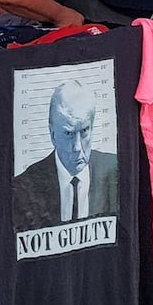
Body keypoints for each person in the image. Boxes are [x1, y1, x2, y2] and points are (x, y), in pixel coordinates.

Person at [13, 80, 118, 230]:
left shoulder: (115, 171)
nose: (77, 147)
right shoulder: (23, 188)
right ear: (52, 134)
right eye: (68, 133)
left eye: (84, 131)